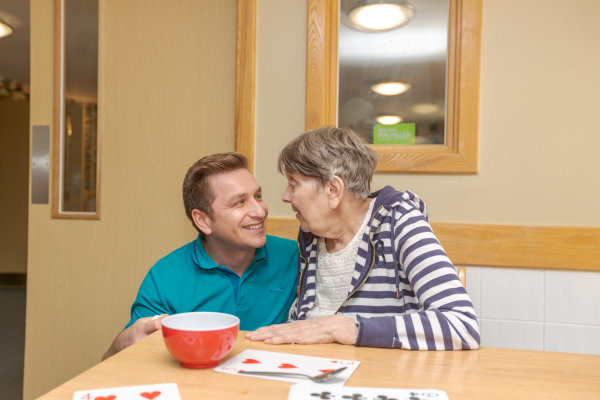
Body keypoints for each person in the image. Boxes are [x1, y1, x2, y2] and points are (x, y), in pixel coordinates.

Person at [246, 127, 480, 350]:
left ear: (333, 190)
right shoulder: (313, 233)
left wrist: (346, 327)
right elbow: (308, 318)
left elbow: (461, 325)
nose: (285, 196)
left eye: (293, 184)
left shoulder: (399, 223)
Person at [103, 152, 298, 359]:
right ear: (203, 221)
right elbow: (118, 365)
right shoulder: (165, 276)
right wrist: (121, 343)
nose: (260, 211)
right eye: (239, 202)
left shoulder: (297, 258)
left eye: (258, 196)